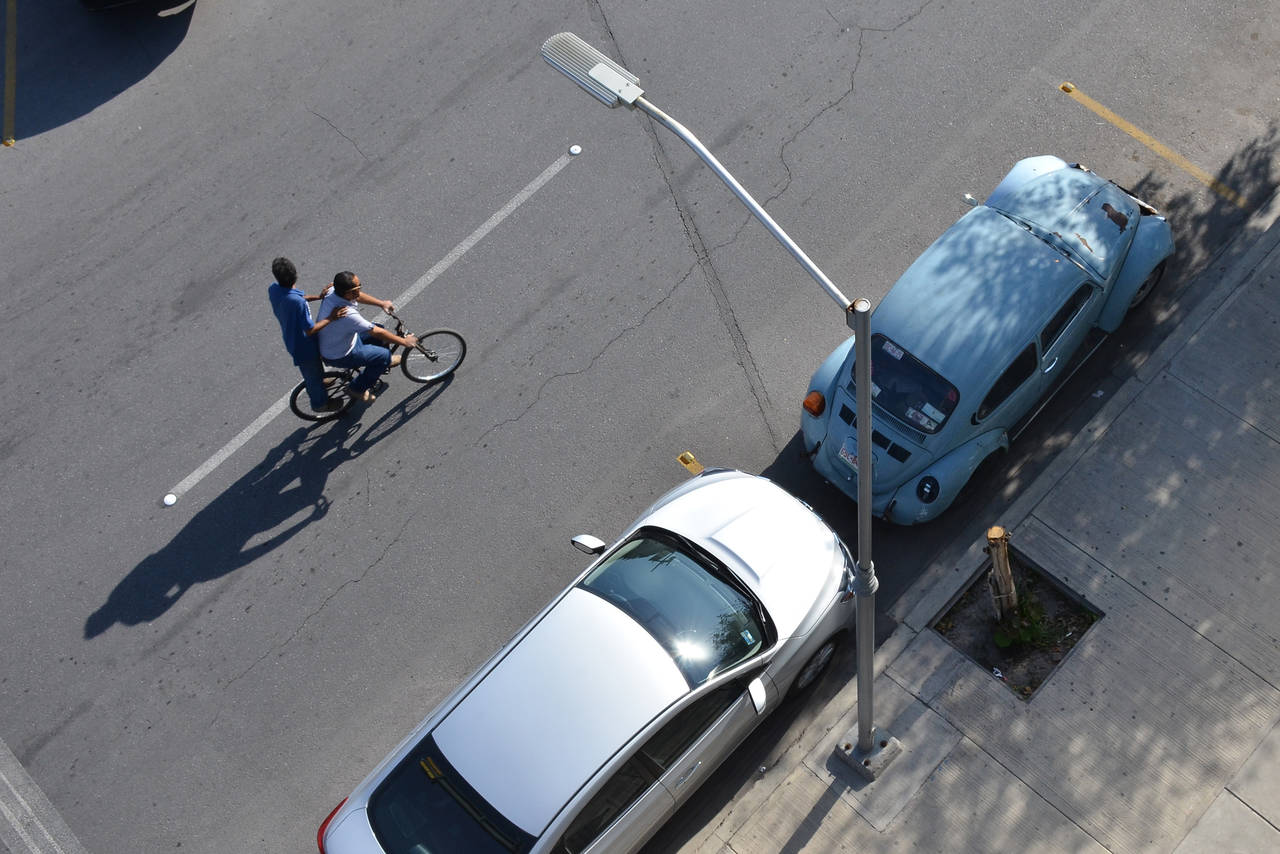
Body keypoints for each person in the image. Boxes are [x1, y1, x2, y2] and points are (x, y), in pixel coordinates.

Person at [316, 271, 418, 403]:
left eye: (360, 287)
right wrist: (404, 341)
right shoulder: (346, 314)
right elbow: (375, 332)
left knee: (380, 330)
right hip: (341, 354)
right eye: (356, 289)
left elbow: (357, 297)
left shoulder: (333, 291)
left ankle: (377, 362)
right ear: (347, 293)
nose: (359, 291)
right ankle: (356, 388)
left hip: (338, 341)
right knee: (384, 355)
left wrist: (381, 303)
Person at [268, 257, 347, 412]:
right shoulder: (296, 302)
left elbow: (299, 298)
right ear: (295, 276)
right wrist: (332, 317)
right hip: (304, 346)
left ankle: (321, 379)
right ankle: (320, 404)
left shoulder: (274, 290)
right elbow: (310, 329)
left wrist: (318, 297)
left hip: (292, 339)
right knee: (312, 376)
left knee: (316, 368)